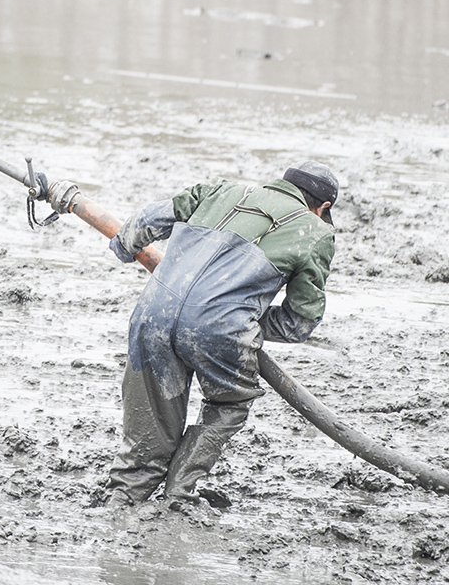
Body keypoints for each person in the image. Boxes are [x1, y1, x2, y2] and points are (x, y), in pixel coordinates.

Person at [103, 161, 338, 507]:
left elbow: (146, 221)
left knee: (151, 419)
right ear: (324, 207)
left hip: (153, 312)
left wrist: (124, 248)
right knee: (229, 403)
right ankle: (178, 493)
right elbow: (299, 322)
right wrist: (239, 320)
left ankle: (122, 497)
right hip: (221, 333)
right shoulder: (315, 232)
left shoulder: (219, 190)